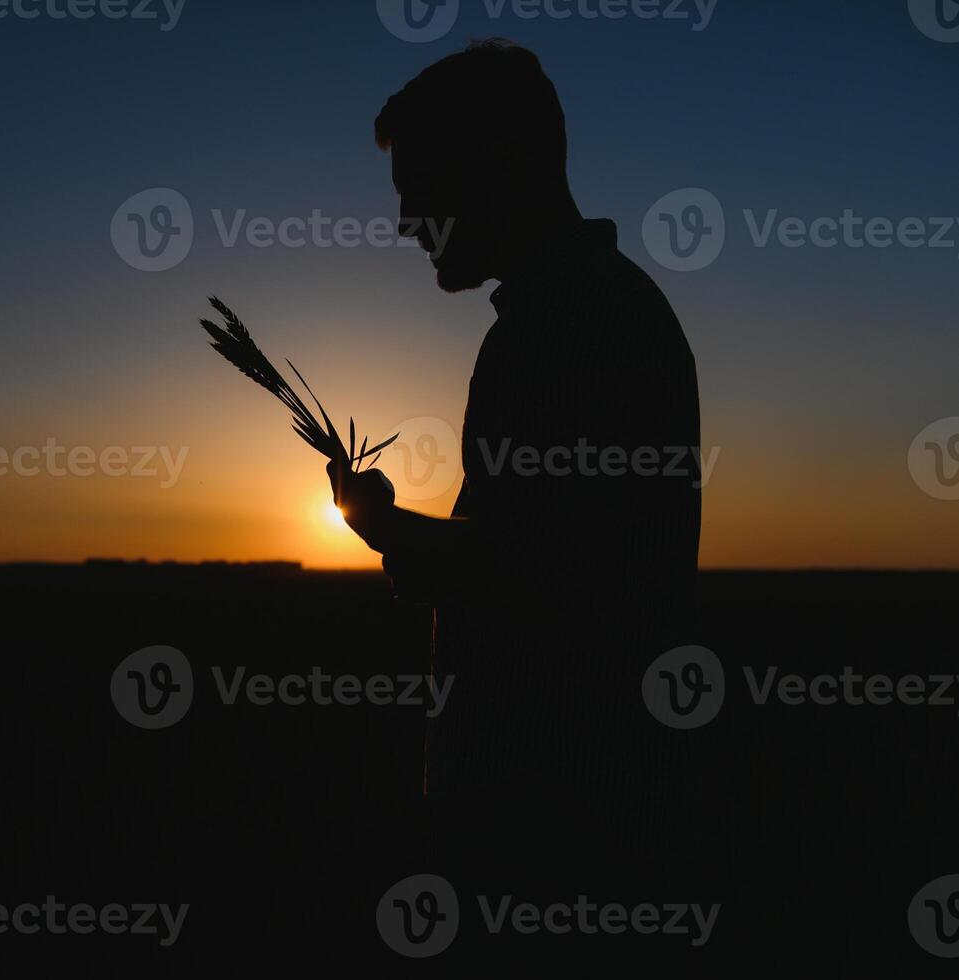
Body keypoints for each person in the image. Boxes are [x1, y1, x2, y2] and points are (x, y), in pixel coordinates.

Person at [331, 39, 725, 968]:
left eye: (423, 185)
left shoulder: (576, 325)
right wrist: (410, 546)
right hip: (559, 808)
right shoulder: (566, 317)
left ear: (506, 161)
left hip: (559, 819)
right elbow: (531, 551)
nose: (402, 220)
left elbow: (546, 572)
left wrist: (388, 530)